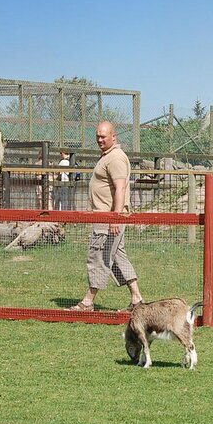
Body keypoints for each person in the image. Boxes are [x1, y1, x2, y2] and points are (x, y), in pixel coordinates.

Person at [67, 121, 144, 311]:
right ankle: (137, 298)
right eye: (98, 136)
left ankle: (88, 302)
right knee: (117, 257)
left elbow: (120, 188)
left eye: (103, 136)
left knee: (99, 256)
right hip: (105, 218)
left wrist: (114, 217)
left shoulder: (115, 158)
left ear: (113, 137)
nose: (100, 140)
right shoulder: (108, 156)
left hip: (109, 219)